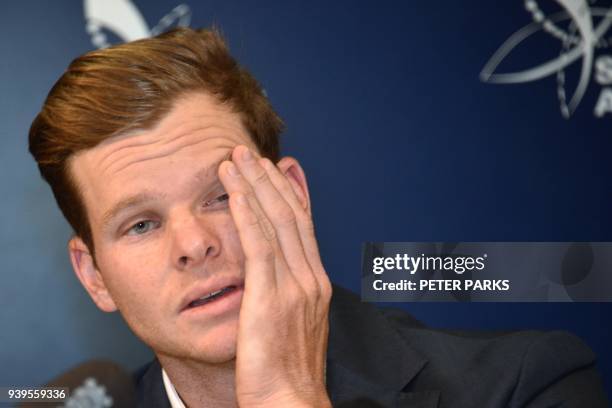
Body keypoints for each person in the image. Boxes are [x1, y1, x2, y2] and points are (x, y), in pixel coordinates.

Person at [29, 27, 607, 407]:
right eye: (141, 224)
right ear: (94, 276)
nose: (193, 244)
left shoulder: (526, 387)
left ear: (293, 198)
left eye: (223, 195)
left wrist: (288, 396)